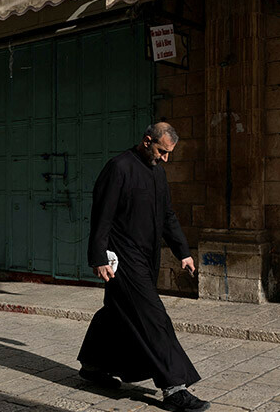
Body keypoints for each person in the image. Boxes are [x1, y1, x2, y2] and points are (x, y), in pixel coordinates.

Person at [77, 123, 209, 412]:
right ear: (147, 141)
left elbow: (167, 215)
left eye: (169, 154)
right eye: (162, 151)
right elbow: (102, 215)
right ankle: (174, 387)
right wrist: (98, 257)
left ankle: (93, 365)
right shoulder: (119, 168)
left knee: (116, 311)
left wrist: (183, 252)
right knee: (153, 316)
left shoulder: (158, 172)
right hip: (122, 259)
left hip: (147, 257)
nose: (165, 158)